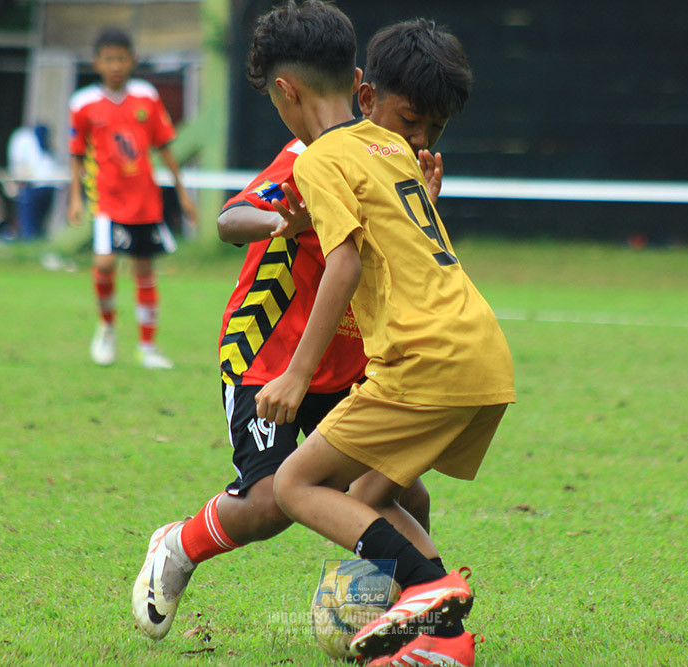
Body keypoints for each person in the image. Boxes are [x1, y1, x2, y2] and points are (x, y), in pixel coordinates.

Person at [129, 16, 463, 644]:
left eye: (431, 130)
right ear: (363, 93)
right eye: (412, 122)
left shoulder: (392, 166)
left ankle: (406, 608)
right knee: (267, 504)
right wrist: (288, 220)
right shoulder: (311, 158)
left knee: (402, 493)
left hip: (347, 361)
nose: (419, 139)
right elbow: (232, 219)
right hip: (271, 359)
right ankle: (178, 546)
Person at [253, 3, 514, 664]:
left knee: (294, 485)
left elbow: (342, 263)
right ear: (358, 83)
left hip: (425, 359)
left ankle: (428, 586)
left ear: (286, 92)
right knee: (369, 494)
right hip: (479, 351)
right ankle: (444, 640)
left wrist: (298, 373)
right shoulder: (392, 148)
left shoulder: (321, 158)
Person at [68, 28, 197, 369]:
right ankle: (107, 328)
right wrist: (75, 198)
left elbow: (165, 146)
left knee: (144, 270)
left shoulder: (146, 96)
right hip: (107, 200)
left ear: (132, 60)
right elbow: (77, 154)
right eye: (109, 59)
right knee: (105, 263)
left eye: (121, 58)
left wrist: (182, 191)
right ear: (96, 63)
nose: (115, 65)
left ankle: (147, 346)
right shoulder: (83, 104)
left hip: (144, 200)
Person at [8, 124, 59, 240]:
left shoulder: (22, 138)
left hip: (34, 184)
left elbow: (19, 163)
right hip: (42, 184)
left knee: (31, 225)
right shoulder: (27, 139)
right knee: (35, 224)